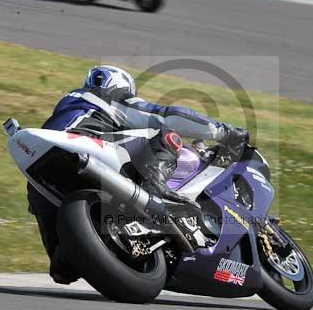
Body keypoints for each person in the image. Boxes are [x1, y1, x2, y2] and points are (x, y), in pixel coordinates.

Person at [28, 64, 249, 284]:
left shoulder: (71, 104)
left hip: (42, 174)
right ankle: (155, 187)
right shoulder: (108, 97)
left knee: (63, 269)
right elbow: (169, 116)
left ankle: (82, 250)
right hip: (82, 144)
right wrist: (224, 131)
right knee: (165, 133)